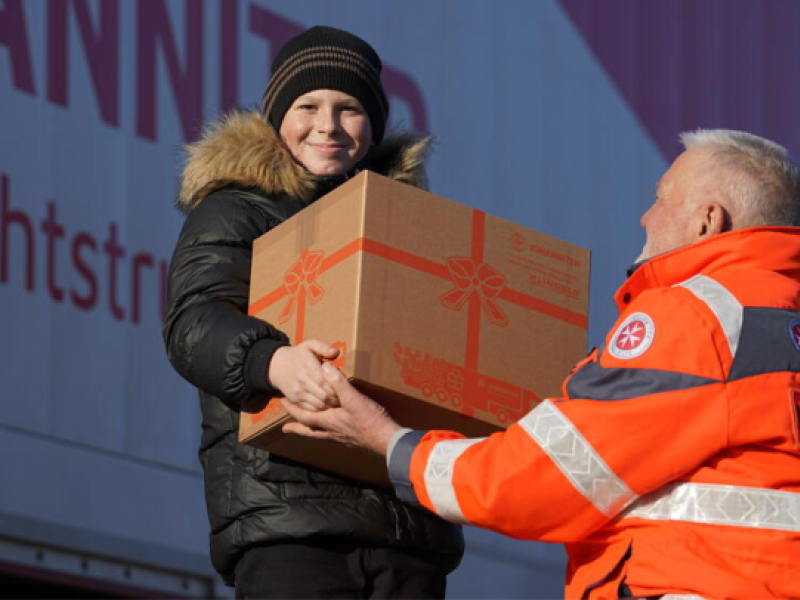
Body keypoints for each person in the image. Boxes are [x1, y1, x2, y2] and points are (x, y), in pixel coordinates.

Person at [281, 129, 800, 600]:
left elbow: (547, 477)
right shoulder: (777, 319)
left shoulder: (696, 314)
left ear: (709, 220)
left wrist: (390, 443)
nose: (645, 216)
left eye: (660, 198)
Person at [162, 25, 464, 600]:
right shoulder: (235, 209)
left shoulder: (407, 224)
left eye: (348, 108)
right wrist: (272, 362)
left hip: (409, 529)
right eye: (308, 105)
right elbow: (193, 322)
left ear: (373, 124)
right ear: (278, 115)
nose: (327, 126)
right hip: (289, 522)